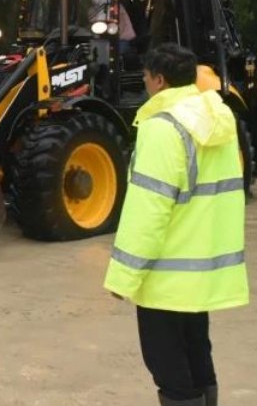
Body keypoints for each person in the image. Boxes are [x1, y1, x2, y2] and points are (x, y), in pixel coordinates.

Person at [104, 43, 248, 406]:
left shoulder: (162, 129)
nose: (146, 83)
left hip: (165, 279)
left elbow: (148, 212)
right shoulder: (218, 121)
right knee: (198, 357)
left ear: (159, 80)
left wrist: (123, 277)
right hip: (200, 275)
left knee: (168, 368)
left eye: (147, 77)